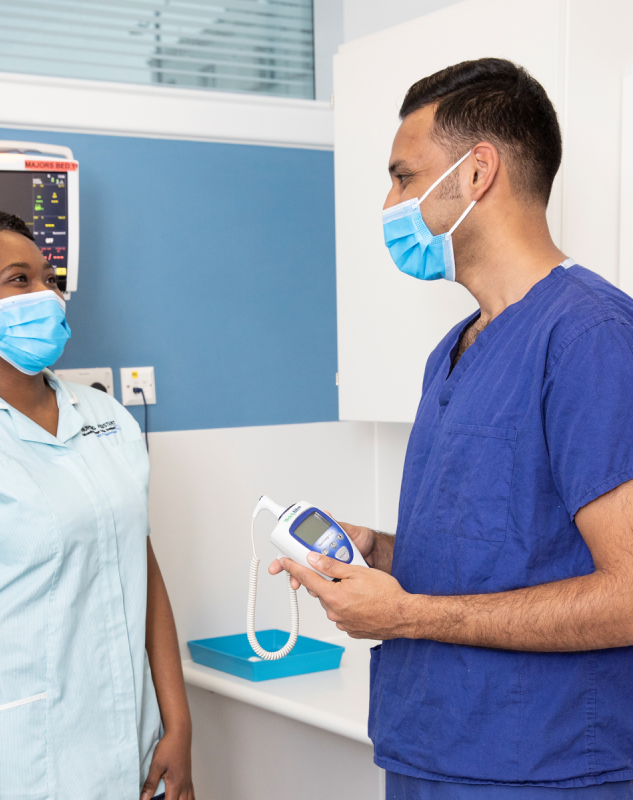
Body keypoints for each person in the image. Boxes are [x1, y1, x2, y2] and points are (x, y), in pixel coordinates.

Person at [271, 59, 633, 797]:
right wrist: (384, 552)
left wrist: (404, 614)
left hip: (541, 767)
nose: (389, 201)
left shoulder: (591, 338)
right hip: (430, 749)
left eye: (404, 177)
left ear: (476, 173)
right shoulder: (457, 349)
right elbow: (515, 547)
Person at [0, 210, 194, 800]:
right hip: (15, 764)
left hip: (133, 744)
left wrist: (178, 725)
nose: (46, 295)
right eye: (19, 280)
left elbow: (142, 572)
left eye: (49, 279)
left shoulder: (107, 418)